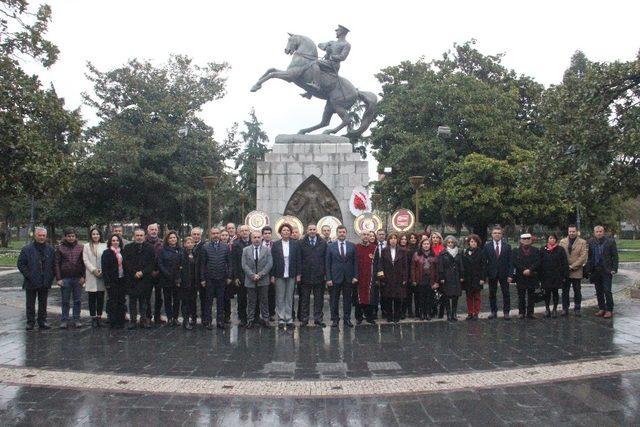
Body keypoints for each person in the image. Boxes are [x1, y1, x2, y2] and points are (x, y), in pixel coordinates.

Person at [17, 227, 55, 330]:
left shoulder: (50, 249)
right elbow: (21, 264)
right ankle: (30, 322)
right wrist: (28, 275)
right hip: (31, 281)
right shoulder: (27, 249)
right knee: (30, 303)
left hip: (45, 280)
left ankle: (42, 321)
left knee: (43, 303)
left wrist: (51, 277)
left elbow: (53, 265)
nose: (42, 237)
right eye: (40, 235)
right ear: (35, 236)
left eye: (43, 235)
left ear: (46, 236)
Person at [270, 223, 302, 329]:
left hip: (291, 274)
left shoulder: (295, 244)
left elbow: (298, 260)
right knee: (280, 297)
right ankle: (281, 318)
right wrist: (273, 275)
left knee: (289, 297)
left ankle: (288, 318)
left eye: (288, 230)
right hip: (279, 274)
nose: (286, 232)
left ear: (291, 232)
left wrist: (298, 274)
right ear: (280, 232)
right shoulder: (276, 244)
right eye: (284, 230)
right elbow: (273, 261)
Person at [326, 225, 358, 328]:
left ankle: (347, 319)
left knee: (347, 300)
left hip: (348, 277)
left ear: (346, 233)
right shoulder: (331, 246)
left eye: (343, 232)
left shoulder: (352, 246)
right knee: (334, 300)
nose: (342, 234)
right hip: (335, 278)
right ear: (337, 233)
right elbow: (328, 263)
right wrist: (329, 278)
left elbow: (355, 262)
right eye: (340, 232)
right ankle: (335, 319)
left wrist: (355, 276)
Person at [200, 227, 232, 330]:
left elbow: (229, 263)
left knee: (221, 301)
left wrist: (229, 276)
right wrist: (202, 279)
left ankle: (220, 321)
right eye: (213, 233)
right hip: (209, 278)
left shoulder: (225, 247)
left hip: (222, 278)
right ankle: (208, 321)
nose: (215, 235)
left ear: (219, 234)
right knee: (208, 301)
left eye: (217, 233)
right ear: (210, 234)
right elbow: (202, 265)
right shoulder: (205, 247)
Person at [123, 228, 155, 329]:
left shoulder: (150, 248)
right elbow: (125, 263)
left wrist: (143, 272)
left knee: (144, 301)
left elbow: (152, 263)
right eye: (137, 235)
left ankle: (143, 320)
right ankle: (133, 320)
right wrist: (134, 272)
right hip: (132, 278)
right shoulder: (128, 247)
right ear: (134, 236)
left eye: (141, 235)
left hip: (145, 278)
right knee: (132, 301)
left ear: (144, 236)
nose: (139, 237)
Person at [242, 231, 274, 328]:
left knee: (264, 301)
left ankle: (266, 319)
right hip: (250, 280)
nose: (256, 239)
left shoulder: (267, 250)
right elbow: (244, 265)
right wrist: (252, 275)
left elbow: (269, 264)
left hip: (263, 280)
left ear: (261, 238)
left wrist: (260, 274)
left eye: (258, 237)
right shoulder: (245, 250)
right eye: (254, 237)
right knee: (251, 301)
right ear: (251, 239)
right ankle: (250, 320)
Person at [55, 228, 85, 329]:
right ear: (65, 237)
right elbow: (57, 264)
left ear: (75, 237)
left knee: (77, 300)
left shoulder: (81, 247)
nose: (71, 238)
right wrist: (58, 278)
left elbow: (84, 263)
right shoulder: (60, 248)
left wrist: (83, 277)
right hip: (65, 278)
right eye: (69, 236)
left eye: (73, 236)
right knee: (65, 301)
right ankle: (64, 319)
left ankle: (77, 319)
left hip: (78, 278)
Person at [586, 225, 619, 319]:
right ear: (594, 233)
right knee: (598, 290)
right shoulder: (591, 242)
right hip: (596, 270)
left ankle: (609, 310)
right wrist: (588, 269)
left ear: (603, 232)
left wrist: (614, 269)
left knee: (607, 290)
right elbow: (590, 257)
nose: (599, 233)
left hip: (607, 270)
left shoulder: (610, 241)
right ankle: (601, 308)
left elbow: (615, 256)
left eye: (600, 231)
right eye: (597, 232)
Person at [299, 223, 328, 327]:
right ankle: (304, 319)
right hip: (305, 275)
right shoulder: (301, 242)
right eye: (310, 229)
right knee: (304, 299)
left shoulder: (323, 243)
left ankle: (318, 319)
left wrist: (326, 274)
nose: (312, 231)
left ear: (317, 231)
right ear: (307, 231)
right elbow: (299, 259)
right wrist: (299, 273)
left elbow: (326, 260)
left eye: (314, 229)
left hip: (319, 276)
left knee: (319, 299)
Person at [483, 226, 513, 320]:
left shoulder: (507, 246)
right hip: (492, 274)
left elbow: (510, 262)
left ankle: (506, 312)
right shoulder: (487, 246)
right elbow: (484, 262)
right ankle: (493, 311)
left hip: (504, 274)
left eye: (499, 233)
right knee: (492, 294)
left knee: (506, 293)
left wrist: (510, 275)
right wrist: (485, 275)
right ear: (492, 234)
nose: (497, 234)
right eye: (495, 233)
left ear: (502, 235)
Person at [378, 233, 408, 323]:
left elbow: (405, 266)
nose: (393, 240)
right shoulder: (384, 251)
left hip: (399, 278)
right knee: (388, 298)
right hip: (387, 278)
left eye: (395, 238)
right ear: (388, 240)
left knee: (398, 298)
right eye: (391, 238)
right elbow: (381, 265)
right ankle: (389, 316)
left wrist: (405, 278)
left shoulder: (402, 251)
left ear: (397, 240)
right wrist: (381, 278)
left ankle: (397, 316)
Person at [559, 225, 588, 316]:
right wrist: (565, 266)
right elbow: (559, 255)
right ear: (568, 232)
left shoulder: (582, 242)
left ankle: (577, 308)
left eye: (573, 231)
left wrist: (572, 266)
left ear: (576, 231)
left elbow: (583, 257)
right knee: (565, 291)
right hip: (565, 270)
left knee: (577, 290)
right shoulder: (562, 241)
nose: (571, 233)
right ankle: (565, 308)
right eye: (570, 231)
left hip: (576, 270)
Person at [512, 233, 541, 319]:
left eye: (528, 239)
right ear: (521, 240)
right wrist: (523, 270)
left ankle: (530, 312)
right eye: (524, 239)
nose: (526, 240)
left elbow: (538, 261)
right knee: (521, 295)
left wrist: (530, 270)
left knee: (531, 295)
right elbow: (515, 262)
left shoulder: (536, 250)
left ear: (531, 240)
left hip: (532, 275)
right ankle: (521, 312)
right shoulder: (515, 250)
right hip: (521, 276)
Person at [540, 233, 569, 318]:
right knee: (547, 293)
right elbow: (540, 262)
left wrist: (564, 275)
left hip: (557, 275)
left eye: (553, 238)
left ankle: (555, 309)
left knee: (555, 293)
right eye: (550, 238)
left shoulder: (560, 249)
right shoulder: (543, 249)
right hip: (546, 275)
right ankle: (547, 309)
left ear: (556, 240)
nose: (551, 240)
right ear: (547, 240)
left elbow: (564, 263)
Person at [83, 227, 107, 328]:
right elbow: (85, 260)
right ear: (91, 235)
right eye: (93, 234)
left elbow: (106, 258)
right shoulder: (87, 246)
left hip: (102, 274)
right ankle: (93, 317)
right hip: (91, 274)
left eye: (97, 234)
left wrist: (102, 270)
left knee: (101, 297)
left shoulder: (104, 245)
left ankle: (99, 316)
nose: (96, 236)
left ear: (100, 235)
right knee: (92, 297)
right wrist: (93, 270)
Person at [101, 234, 127, 329]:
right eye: (113, 240)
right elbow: (105, 269)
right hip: (112, 281)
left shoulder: (123, 252)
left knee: (121, 301)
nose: (115, 242)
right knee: (113, 301)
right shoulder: (106, 253)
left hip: (122, 280)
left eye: (117, 240)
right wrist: (107, 282)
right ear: (110, 242)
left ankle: (121, 320)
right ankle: (113, 321)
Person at [158, 230, 182, 326]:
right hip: (166, 278)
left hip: (177, 279)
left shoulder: (181, 250)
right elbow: (160, 263)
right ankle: (169, 318)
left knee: (177, 299)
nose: (173, 239)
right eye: (170, 238)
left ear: (177, 239)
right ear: (167, 240)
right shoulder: (162, 250)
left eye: (174, 237)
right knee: (167, 299)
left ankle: (175, 318)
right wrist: (167, 273)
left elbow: (182, 263)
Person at [437, 236, 464, 322]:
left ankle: (454, 313)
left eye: (452, 242)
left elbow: (461, 265)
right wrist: (441, 277)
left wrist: (462, 276)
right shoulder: (442, 253)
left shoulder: (459, 253)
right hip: (447, 277)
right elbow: (440, 266)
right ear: (446, 243)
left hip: (456, 276)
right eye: (448, 242)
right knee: (446, 296)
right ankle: (448, 313)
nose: (450, 244)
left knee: (455, 296)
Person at [411, 238, 437, 321]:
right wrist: (414, 279)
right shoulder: (416, 254)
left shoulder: (434, 255)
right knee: (421, 297)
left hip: (430, 279)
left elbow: (436, 269)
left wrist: (436, 281)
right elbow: (413, 268)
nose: (426, 245)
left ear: (430, 245)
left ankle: (428, 313)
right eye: (424, 244)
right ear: (421, 245)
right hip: (420, 279)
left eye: (428, 244)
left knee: (429, 297)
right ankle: (422, 313)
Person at [354, 231, 377, 325]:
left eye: (368, 235)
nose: (366, 236)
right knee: (359, 297)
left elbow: (377, 263)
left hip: (370, 277)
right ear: (360, 236)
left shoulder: (374, 248)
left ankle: (369, 317)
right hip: (359, 276)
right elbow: (353, 262)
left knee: (369, 297)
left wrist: (377, 276)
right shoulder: (356, 247)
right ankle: (359, 317)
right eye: (364, 234)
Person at [462, 234, 486, 321]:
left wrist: (482, 278)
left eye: (475, 241)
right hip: (468, 278)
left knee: (476, 296)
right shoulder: (465, 252)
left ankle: (476, 313)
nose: (473, 243)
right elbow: (463, 266)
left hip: (477, 277)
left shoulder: (481, 252)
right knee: (469, 296)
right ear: (469, 243)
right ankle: (470, 312)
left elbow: (483, 266)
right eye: (471, 241)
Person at [231, 225, 251, 327]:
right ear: (239, 232)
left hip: (252, 275)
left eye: (246, 230)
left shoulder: (254, 241)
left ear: (249, 231)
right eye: (242, 231)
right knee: (241, 298)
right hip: (241, 275)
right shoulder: (235, 244)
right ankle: (242, 317)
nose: (244, 232)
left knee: (252, 298)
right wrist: (236, 277)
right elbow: (234, 262)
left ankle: (252, 317)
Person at [145, 223, 164, 325]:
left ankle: (157, 316)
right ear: (148, 230)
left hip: (159, 273)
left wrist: (158, 270)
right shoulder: (143, 241)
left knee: (158, 296)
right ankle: (148, 316)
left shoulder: (161, 243)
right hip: (147, 273)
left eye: (155, 229)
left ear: (158, 230)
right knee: (147, 296)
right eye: (151, 229)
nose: (154, 231)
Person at [179, 237, 198, 330]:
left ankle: (193, 318)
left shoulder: (195, 254)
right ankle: (185, 320)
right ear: (184, 244)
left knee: (193, 301)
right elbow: (177, 267)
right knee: (185, 302)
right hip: (184, 282)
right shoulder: (181, 254)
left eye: (191, 242)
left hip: (194, 282)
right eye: (188, 242)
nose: (189, 244)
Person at [190, 227, 205, 326]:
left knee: (204, 298)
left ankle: (204, 318)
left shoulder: (205, 246)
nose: (196, 236)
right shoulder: (187, 246)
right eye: (194, 234)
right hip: (190, 277)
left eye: (198, 234)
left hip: (201, 277)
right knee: (191, 299)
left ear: (201, 236)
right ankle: (193, 317)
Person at [262, 226, 276, 320]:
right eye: (265, 233)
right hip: (261, 273)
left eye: (269, 233)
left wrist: (274, 275)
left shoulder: (275, 245)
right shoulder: (258, 243)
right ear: (262, 235)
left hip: (272, 273)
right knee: (261, 295)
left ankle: (271, 314)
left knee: (271, 294)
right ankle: (261, 314)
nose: (267, 235)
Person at [219, 229, 234, 323]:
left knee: (227, 297)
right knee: (220, 297)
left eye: (226, 235)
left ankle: (227, 315)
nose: (224, 237)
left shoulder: (232, 246)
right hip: (219, 274)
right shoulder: (217, 246)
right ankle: (221, 315)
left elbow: (232, 263)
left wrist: (230, 276)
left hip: (228, 275)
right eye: (223, 235)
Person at [372, 228, 387, 319]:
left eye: (382, 234)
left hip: (386, 272)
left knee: (385, 293)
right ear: (377, 236)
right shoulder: (374, 246)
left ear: (385, 235)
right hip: (376, 271)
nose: (381, 236)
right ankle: (375, 312)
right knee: (375, 293)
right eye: (379, 234)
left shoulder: (388, 245)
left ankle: (385, 311)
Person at [404, 233, 419, 318]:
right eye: (411, 238)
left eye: (414, 238)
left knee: (417, 296)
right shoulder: (406, 250)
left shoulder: (419, 249)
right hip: (409, 275)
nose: (413, 239)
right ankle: (409, 312)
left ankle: (417, 311)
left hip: (418, 276)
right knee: (408, 296)